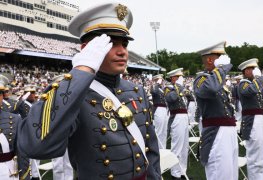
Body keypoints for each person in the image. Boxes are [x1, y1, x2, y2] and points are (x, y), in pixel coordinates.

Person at [17, 3, 161, 179]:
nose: (122, 51)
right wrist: (82, 69)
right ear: (87, 49)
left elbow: (150, 148)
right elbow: (35, 145)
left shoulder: (136, 90)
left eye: (124, 44)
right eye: (111, 43)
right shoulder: (73, 93)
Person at [194, 41, 238, 180]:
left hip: (228, 132)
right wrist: (222, 68)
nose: (224, 58)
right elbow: (211, 88)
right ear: (209, 59)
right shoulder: (201, 79)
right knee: (220, 174)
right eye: (220, 55)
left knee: (231, 174)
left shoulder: (217, 79)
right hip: (216, 133)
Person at [238, 58, 263, 180]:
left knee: (261, 152)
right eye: (251, 69)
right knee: (255, 154)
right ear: (245, 71)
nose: (254, 71)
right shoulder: (243, 84)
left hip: (258, 119)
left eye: (255, 69)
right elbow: (252, 91)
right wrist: (258, 79)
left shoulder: (251, 83)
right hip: (252, 121)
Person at [0, 81, 30, 180]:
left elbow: (21, 151)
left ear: (1, 97)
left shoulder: (14, 119)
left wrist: (24, 176)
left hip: (7, 171)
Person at [164, 68, 189, 179]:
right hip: (176, 117)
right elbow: (171, 99)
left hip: (184, 117)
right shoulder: (168, 88)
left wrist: (179, 87)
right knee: (177, 146)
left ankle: (182, 171)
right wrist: (178, 86)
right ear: (172, 78)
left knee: (185, 146)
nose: (180, 79)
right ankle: (175, 173)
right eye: (178, 77)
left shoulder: (178, 88)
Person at [151, 74, 169, 149]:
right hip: (158, 109)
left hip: (164, 109)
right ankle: (158, 149)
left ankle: (163, 148)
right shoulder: (154, 87)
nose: (162, 81)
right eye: (160, 79)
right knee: (159, 130)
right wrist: (157, 84)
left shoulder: (162, 88)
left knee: (164, 131)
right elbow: (154, 92)